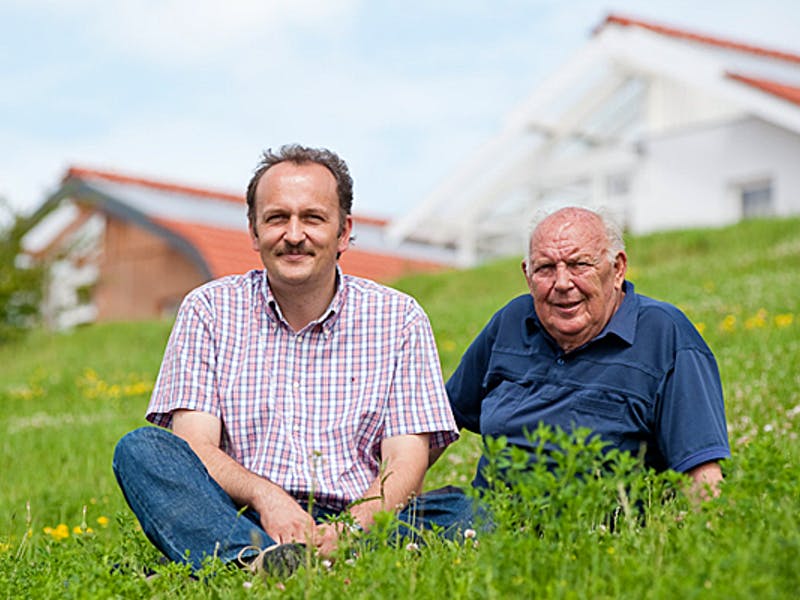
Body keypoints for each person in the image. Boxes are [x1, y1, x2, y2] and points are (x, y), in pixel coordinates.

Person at [113, 144, 461, 575]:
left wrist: (351, 528)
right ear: (254, 231)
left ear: (344, 230)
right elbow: (195, 446)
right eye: (277, 218)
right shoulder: (208, 309)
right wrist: (267, 497)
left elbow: (406, 461)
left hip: (366, 517)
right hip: (243, 512)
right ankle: (258, 557)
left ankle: (246, 564)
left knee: (465, 511)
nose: (294, 235)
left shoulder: (400, 317)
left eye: (313, 218)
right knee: (141, 451)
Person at [434, 206, 729, 501]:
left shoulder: (665, 333)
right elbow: (436, 425)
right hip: (490, 516)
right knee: (403, 525)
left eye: (579, 265)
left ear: (617, 269)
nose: (562, 283)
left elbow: (701, 472)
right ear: (528, 275)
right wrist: (390, 496)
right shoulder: (511, 323)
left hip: (594, 525)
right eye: (546, 268)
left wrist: (706, 532)